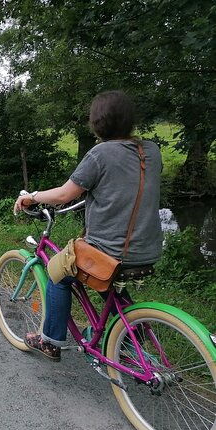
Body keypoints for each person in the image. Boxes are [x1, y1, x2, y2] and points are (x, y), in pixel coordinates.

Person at [13, 90, 163, 361]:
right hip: (148, 250)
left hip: (111, 249)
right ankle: (131, 331)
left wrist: (31, 197)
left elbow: (64, 195)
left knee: (57, 271)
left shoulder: (100, 154)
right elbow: (125, 187)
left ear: (97, 123)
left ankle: (49, 342)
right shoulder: (150, 151)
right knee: (109, 278)